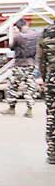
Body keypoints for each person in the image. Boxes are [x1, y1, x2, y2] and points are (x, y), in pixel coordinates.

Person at [2, 19, 39, 117]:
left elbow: (11, 47)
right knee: (30, 87)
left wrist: (14, 34)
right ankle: (29, 110)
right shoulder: (36, 35)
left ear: (18, 27)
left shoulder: (18, 37)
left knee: (12, 86)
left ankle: (11, 108)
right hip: (31, 64)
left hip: (20, 65)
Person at [37, 22, 55, 163]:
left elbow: (41, 60)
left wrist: (44, 78)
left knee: (52, 115)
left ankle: (53, 152)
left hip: (52, 79)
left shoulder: (47, 32)